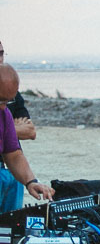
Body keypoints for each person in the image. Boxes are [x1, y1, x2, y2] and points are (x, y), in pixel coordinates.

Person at [0, 64, 54, 212]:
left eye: (8, 102)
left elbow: (13, 154)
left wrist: (30, 182)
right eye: (1, 101)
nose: (4, 107)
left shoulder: (4, 114)